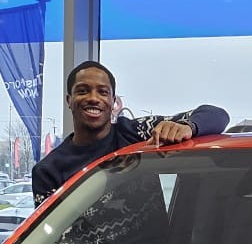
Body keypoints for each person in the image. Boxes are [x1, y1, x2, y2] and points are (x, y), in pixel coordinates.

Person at [31, 61, 229, 202]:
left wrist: (188, 127)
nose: (93, 98)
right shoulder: (48, 171)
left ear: (113, 102)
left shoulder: (139, 133)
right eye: (83, 91)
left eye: (103, 92)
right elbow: (50, 239)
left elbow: (218, 115)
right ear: (69, 100)